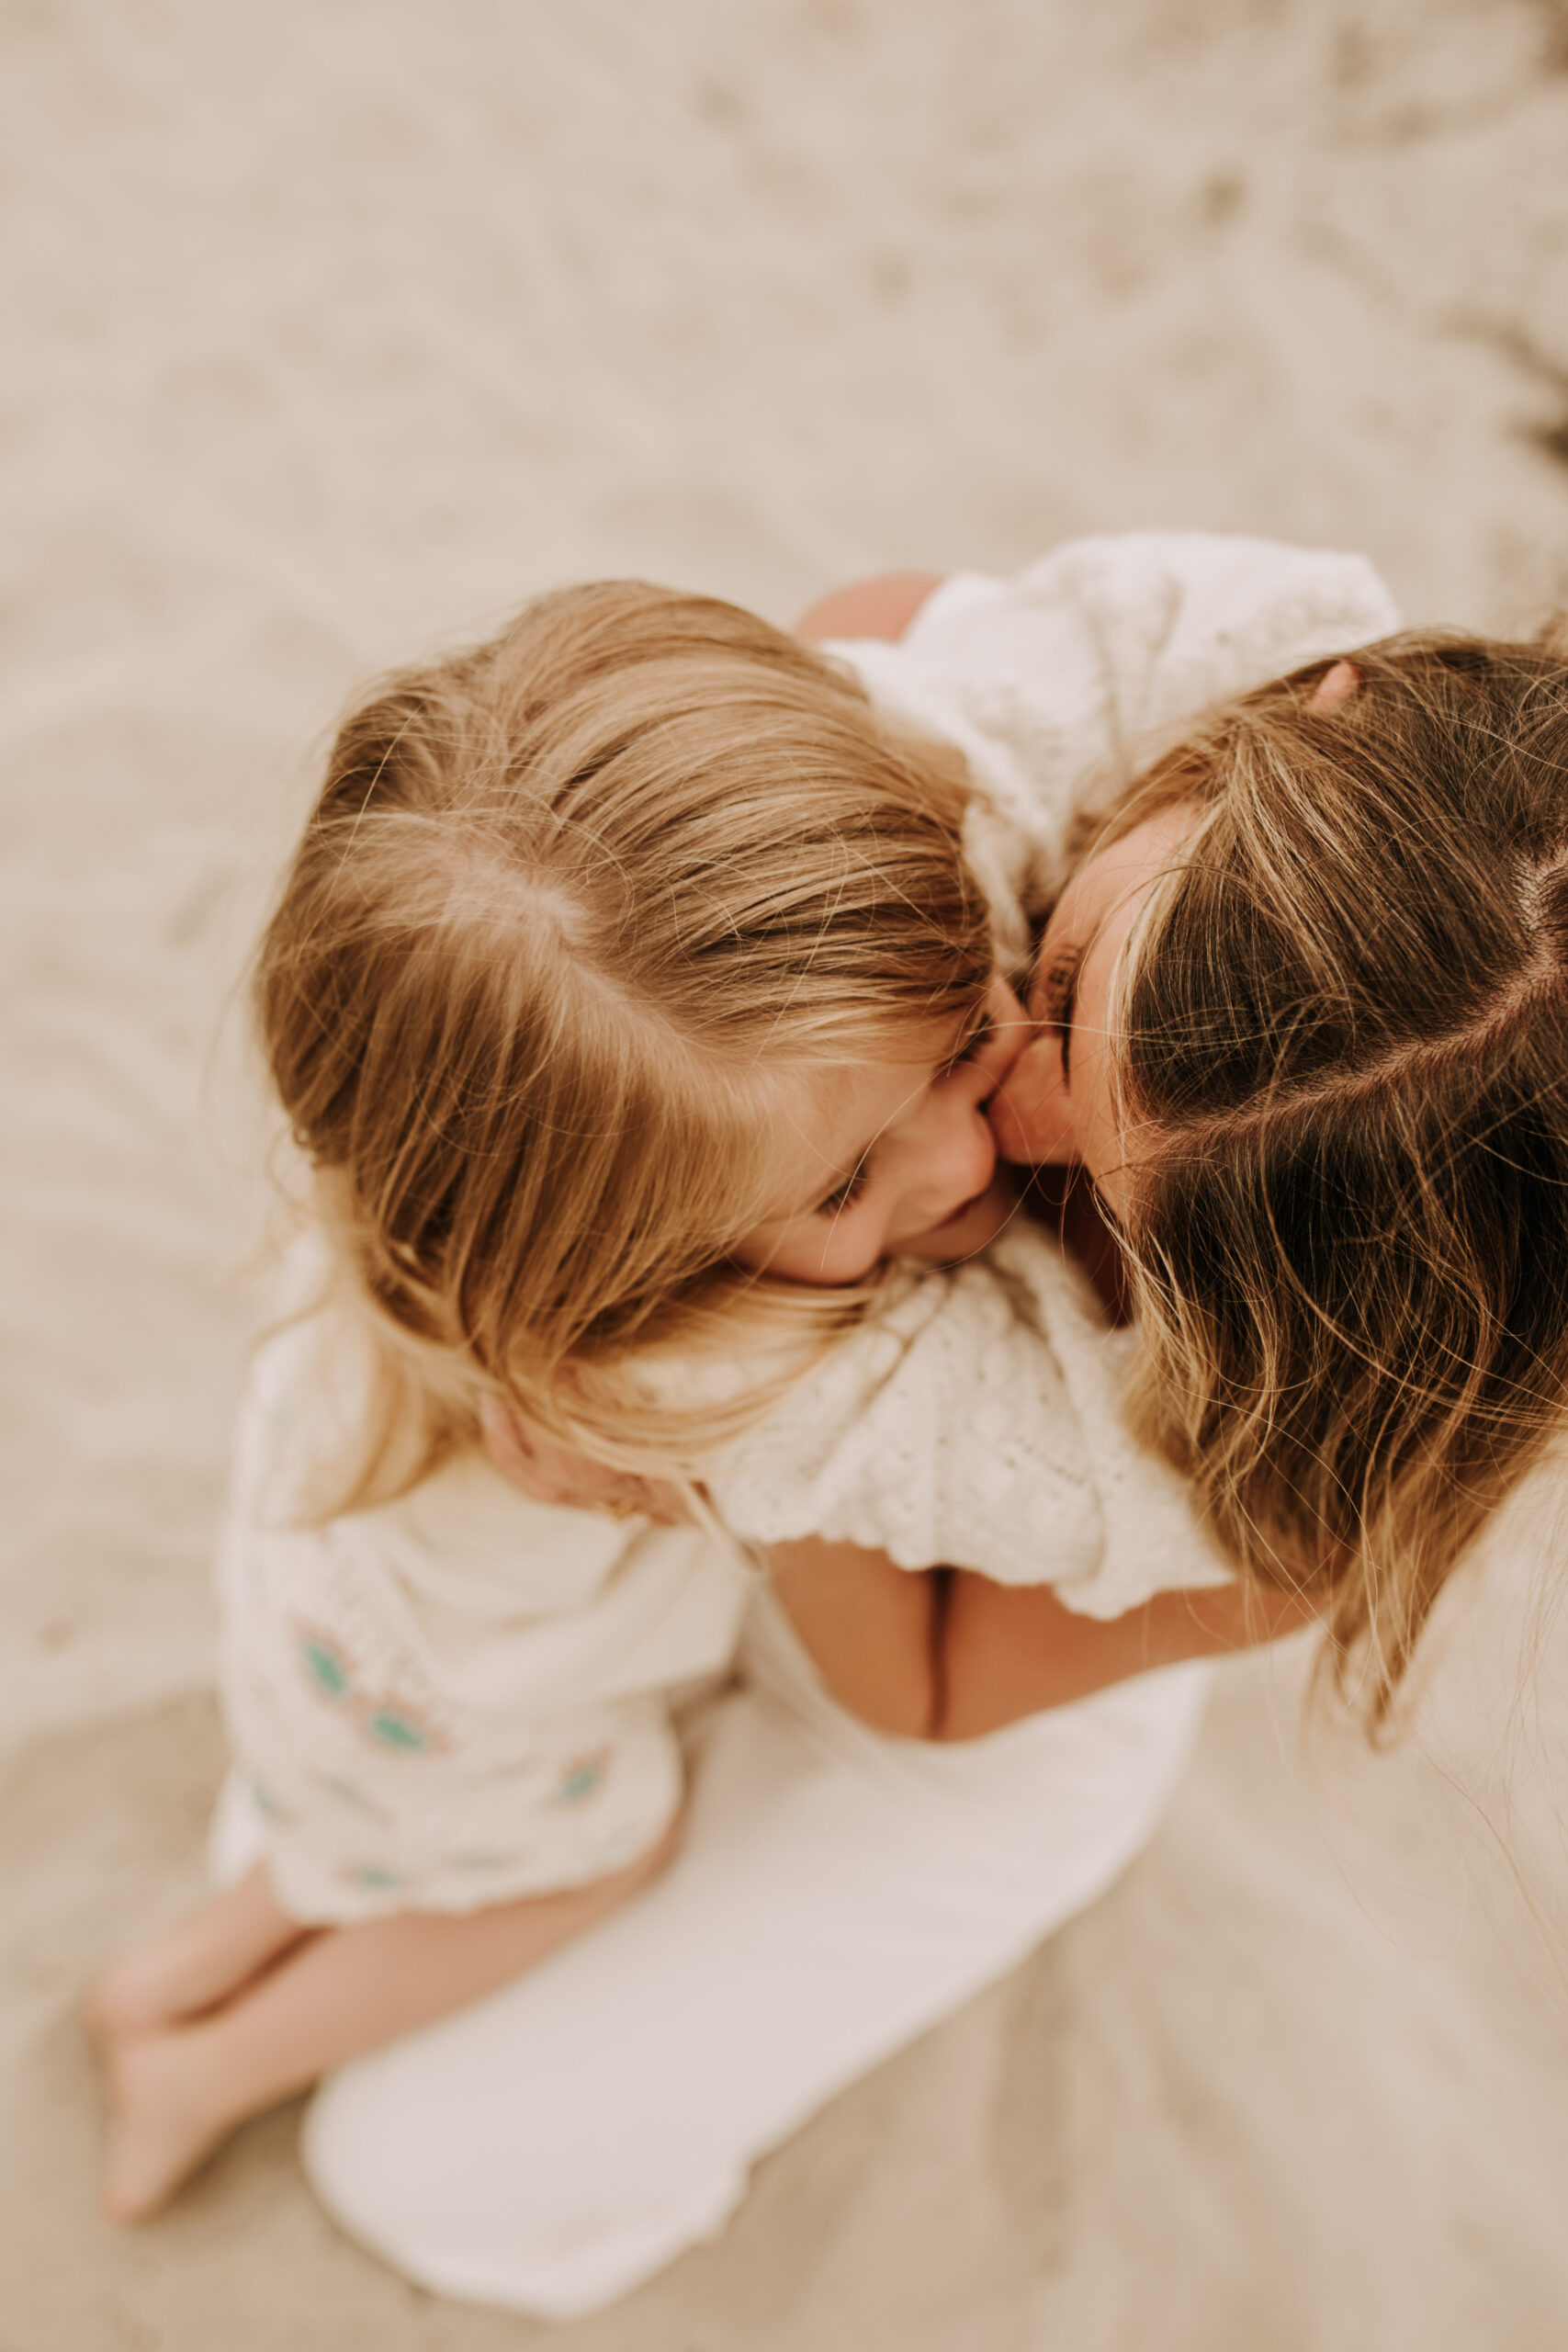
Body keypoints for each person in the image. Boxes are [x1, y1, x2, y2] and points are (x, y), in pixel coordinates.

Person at [87, 560, 1329, 2252]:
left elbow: (969, 1667)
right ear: (626, 1276)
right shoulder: (675, 1354)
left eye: (967, 1016)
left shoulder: (586, 1169)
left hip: (754, 1661)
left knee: (385, 1985)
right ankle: (200, 2057)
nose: (971, 1151)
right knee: (539, 1863)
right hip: (505, 1678)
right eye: (841, 1187)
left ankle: (195, 1984)